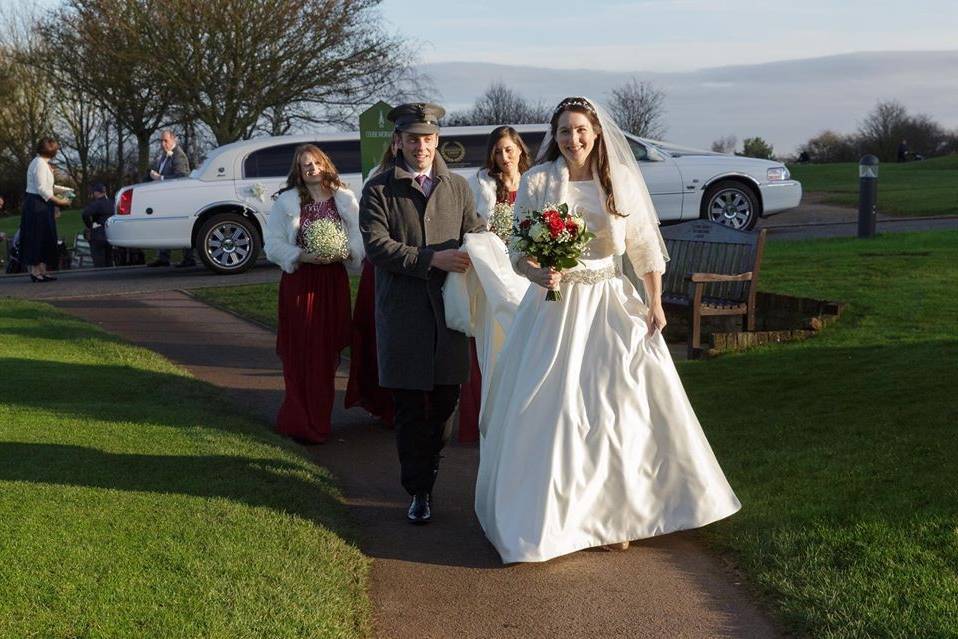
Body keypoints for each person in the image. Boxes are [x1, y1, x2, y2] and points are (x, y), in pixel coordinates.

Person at [472, 97, 741, 563]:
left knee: (616, 407)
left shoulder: (619, 180)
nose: (572, 139)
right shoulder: (538, 181)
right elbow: (519, 246)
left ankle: (618, 517)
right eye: (563, 132)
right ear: (553, 137)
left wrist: (655, 302)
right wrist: (537, 272)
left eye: (579, 130)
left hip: (610, 302)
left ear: (595, 132)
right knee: (553, 408)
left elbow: (643, 248)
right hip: (554, 307)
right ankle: (555, 517)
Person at [359, 102, 485, 524]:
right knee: (411, 407)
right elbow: (378, 247)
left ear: (437, 141)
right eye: (413, 139)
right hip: (404, 315)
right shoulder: (377, 190)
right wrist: (433, 260)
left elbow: (476, 230)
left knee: (447, 401)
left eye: (428, 138)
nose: (421, 146)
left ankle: (428, 468)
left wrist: (496, 249)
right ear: (398, 141)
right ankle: (418, 489)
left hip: (450, 313)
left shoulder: (459, 188)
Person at [264, 144, 364, 445]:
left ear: (325, 164)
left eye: (316, 162)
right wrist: (301, 256)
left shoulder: (344, 198)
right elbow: (272, 244)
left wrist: (347, 252)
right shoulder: (287, 202)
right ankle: (298, 418)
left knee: (324, 351)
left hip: (333, 282)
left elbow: (359, 237)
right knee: (301, 350)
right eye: (305, 164)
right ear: (298, 170)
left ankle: (320, 418)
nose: (311, 168)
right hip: (301, 283)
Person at [458, 127, 532, 442]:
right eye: (498, 152)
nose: (504, 157)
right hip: (495, 274)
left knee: (525, 340)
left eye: (508, 150)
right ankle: (484, 418)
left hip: (528, 275)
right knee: (492, 342)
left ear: (519, 149)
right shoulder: (482, 186)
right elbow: (472, 230)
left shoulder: (534, 182)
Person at [345, 134, 402, 427]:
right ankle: (382, 401)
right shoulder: (376, 179)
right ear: (393, 146)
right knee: (376, 333)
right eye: (397, 143)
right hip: (379, 266)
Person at [21, 137, 72, 282]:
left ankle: (42, 271)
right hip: (37, 205)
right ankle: (36, 272)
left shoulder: (43, 163)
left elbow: (47, 186)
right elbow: (43, 190)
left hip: (41, 204)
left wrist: (63, 191)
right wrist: (61, 201)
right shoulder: (40, 164)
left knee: (46, 237)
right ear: (52, 151)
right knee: (38, 237)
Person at [147, 129, 194, 267]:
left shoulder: (179, 156)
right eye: (161, 141)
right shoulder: (163, 156)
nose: (162, 144)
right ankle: (163, 257)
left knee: (182, 227)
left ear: (174, 139)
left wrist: (159, 178)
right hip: (164, 200)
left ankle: (189, 259)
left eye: (165, 140)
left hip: (178, 200)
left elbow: (182, 177)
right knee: (163, 227)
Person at [81, 182, 114, 267]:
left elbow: (85, 214)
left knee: (99, 262)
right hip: (110, 234)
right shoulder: (112, 203)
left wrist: (89, 226)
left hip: (98, 234)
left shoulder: (96, 204)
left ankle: (100, 279)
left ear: (97, 192)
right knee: (109, 260)